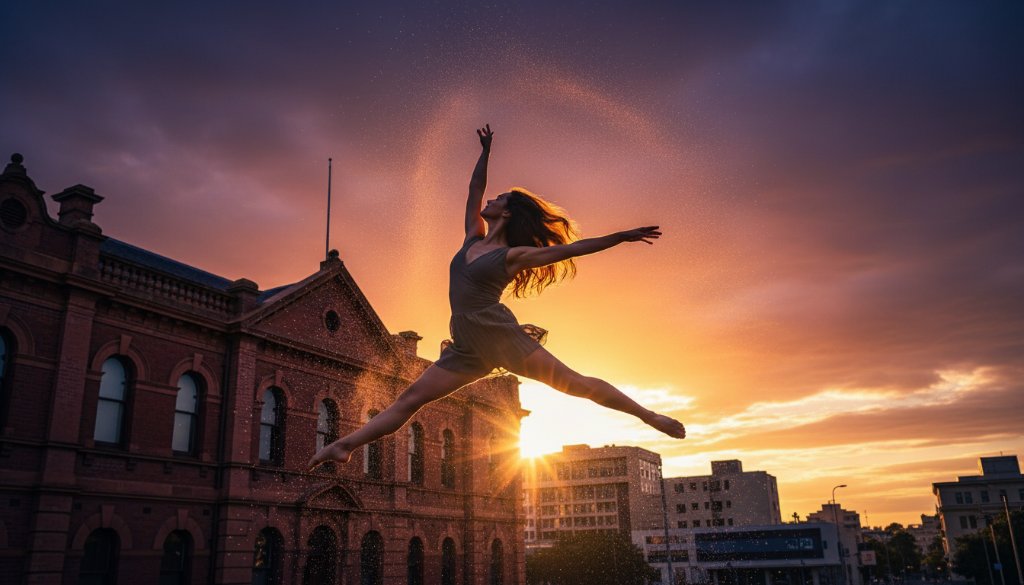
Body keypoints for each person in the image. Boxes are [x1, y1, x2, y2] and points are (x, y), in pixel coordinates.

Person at [308, 124, 685, 470]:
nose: (491, 199)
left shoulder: (512, 256)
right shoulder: (472, 237)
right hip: (467, 344)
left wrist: (620, 236)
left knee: (575, 383)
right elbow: (474, 190)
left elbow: (574, 249)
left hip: (497, 333)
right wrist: (485, 152)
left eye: (500, 198)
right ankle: (345, 446)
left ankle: (651, 417)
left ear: (506, 212)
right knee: (410, 400)